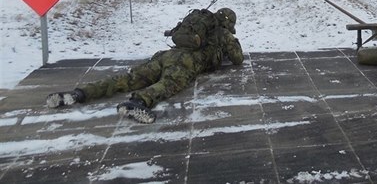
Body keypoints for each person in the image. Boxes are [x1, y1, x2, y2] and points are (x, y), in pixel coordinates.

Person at [46, 20, 243, 124]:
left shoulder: (195, 25)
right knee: (166, 85)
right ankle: (136, 103)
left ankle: (80, 94)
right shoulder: (222, 33)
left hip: (165, 55)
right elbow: (238, 59)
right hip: (186, 62)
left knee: (129, 78)